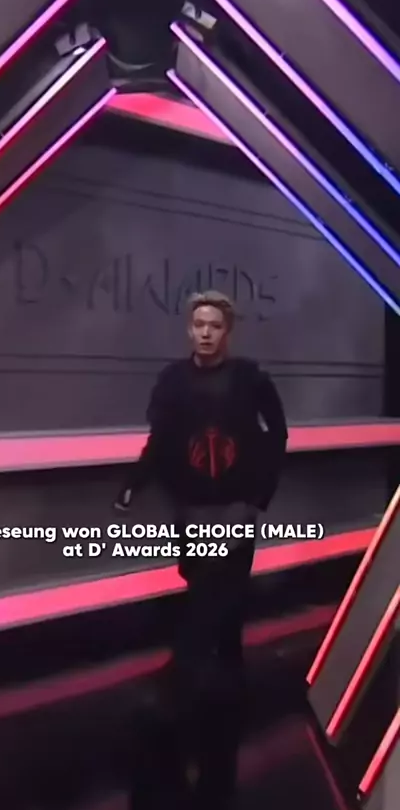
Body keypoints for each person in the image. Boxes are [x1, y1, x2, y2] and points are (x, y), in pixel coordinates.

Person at [115, 290, 288, 681]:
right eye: (199, 325)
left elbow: (277, 435)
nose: (206, 333)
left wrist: (259, 498)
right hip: (191, 504)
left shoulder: (251, 379)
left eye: (214, 326)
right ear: (189, 330)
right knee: (201, 582)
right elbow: (160, 440)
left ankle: (194, 663)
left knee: (224, 585)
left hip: (237, 504)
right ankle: (220, 666)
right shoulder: (173, 381)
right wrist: (134, 484)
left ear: (227, 332)